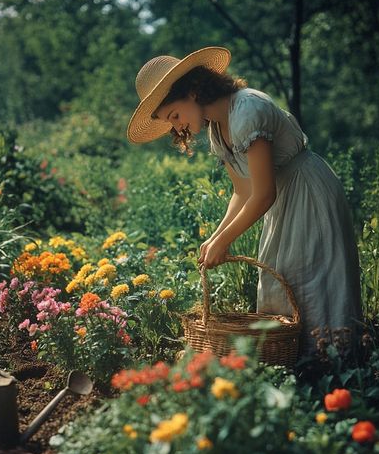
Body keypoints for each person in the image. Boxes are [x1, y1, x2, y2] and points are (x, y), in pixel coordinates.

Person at [127, 46, 363, 354]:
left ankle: (332, 365)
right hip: (283, 202)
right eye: (171, 122)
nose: (177, 126)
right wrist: (214, 238)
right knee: (283, 283)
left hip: (307, 192)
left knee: (311, 279)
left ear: (194, 91)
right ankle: (294, 364)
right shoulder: (218, 130)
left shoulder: (248, 110)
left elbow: (264, 193)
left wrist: (224, 242)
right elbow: (243, 190)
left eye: (174, 115)